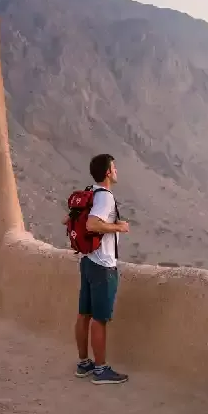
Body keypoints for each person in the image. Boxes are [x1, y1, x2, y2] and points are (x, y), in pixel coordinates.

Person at [73, 153, 130, 384]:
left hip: (88, 261)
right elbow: (92, 223)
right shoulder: (105, 197)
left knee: (84, 314)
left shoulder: (91, 192)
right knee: (99, 319)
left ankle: (83, 364)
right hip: (103, 265)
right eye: (114, 167)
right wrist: (119, 227)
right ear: (108, 172)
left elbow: (70, 221)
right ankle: (100, 370)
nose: (117, 171)